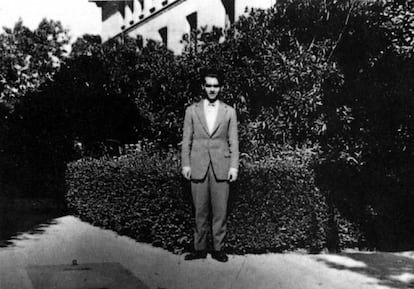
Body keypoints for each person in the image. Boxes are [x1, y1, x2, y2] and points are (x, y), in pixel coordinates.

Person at [181, 68, 239, 262]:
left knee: (220, 211)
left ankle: (218, 249)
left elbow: (234, 141)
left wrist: (233, 167)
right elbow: (186, 140)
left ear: (220, 87)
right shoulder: (192, 110)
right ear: (203, 87)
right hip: (198, 165)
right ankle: (199, 249)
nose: (212, 89)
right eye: (209, 86)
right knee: (200, 210)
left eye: (216, 86)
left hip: (221, 167)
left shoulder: (229, 111)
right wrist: (186, 164)